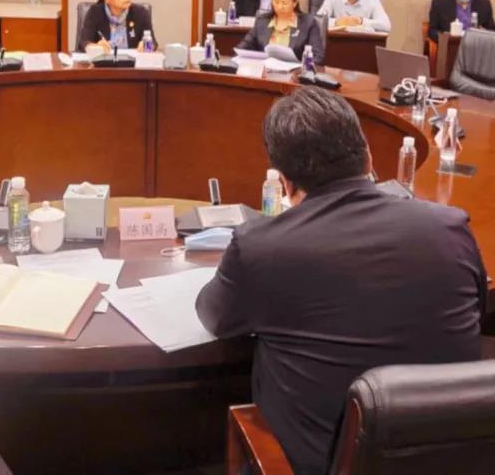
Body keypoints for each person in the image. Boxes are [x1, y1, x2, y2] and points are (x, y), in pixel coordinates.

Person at [195, 87, 484, 475]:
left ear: (285, 184)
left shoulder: (261, 248)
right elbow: (478, 308)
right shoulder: (450, 228)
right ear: (368, 158)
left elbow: (214, 317)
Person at [236, 0, 324, 63]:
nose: (279, 6)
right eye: (276, 1)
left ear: (295, 2)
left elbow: (318, 57)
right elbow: (243, 47)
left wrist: (301, 69)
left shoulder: (308, 23)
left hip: (295, 72)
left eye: (284, 3)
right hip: (265, 70)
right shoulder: (262, 21)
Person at [76, 0, 156, 53]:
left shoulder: (141, 13)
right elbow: (83, 43)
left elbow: (153, 43)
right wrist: (95, 47)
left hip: (133, 61)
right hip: (104, 61)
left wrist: (147, 46)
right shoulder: (95, 13)